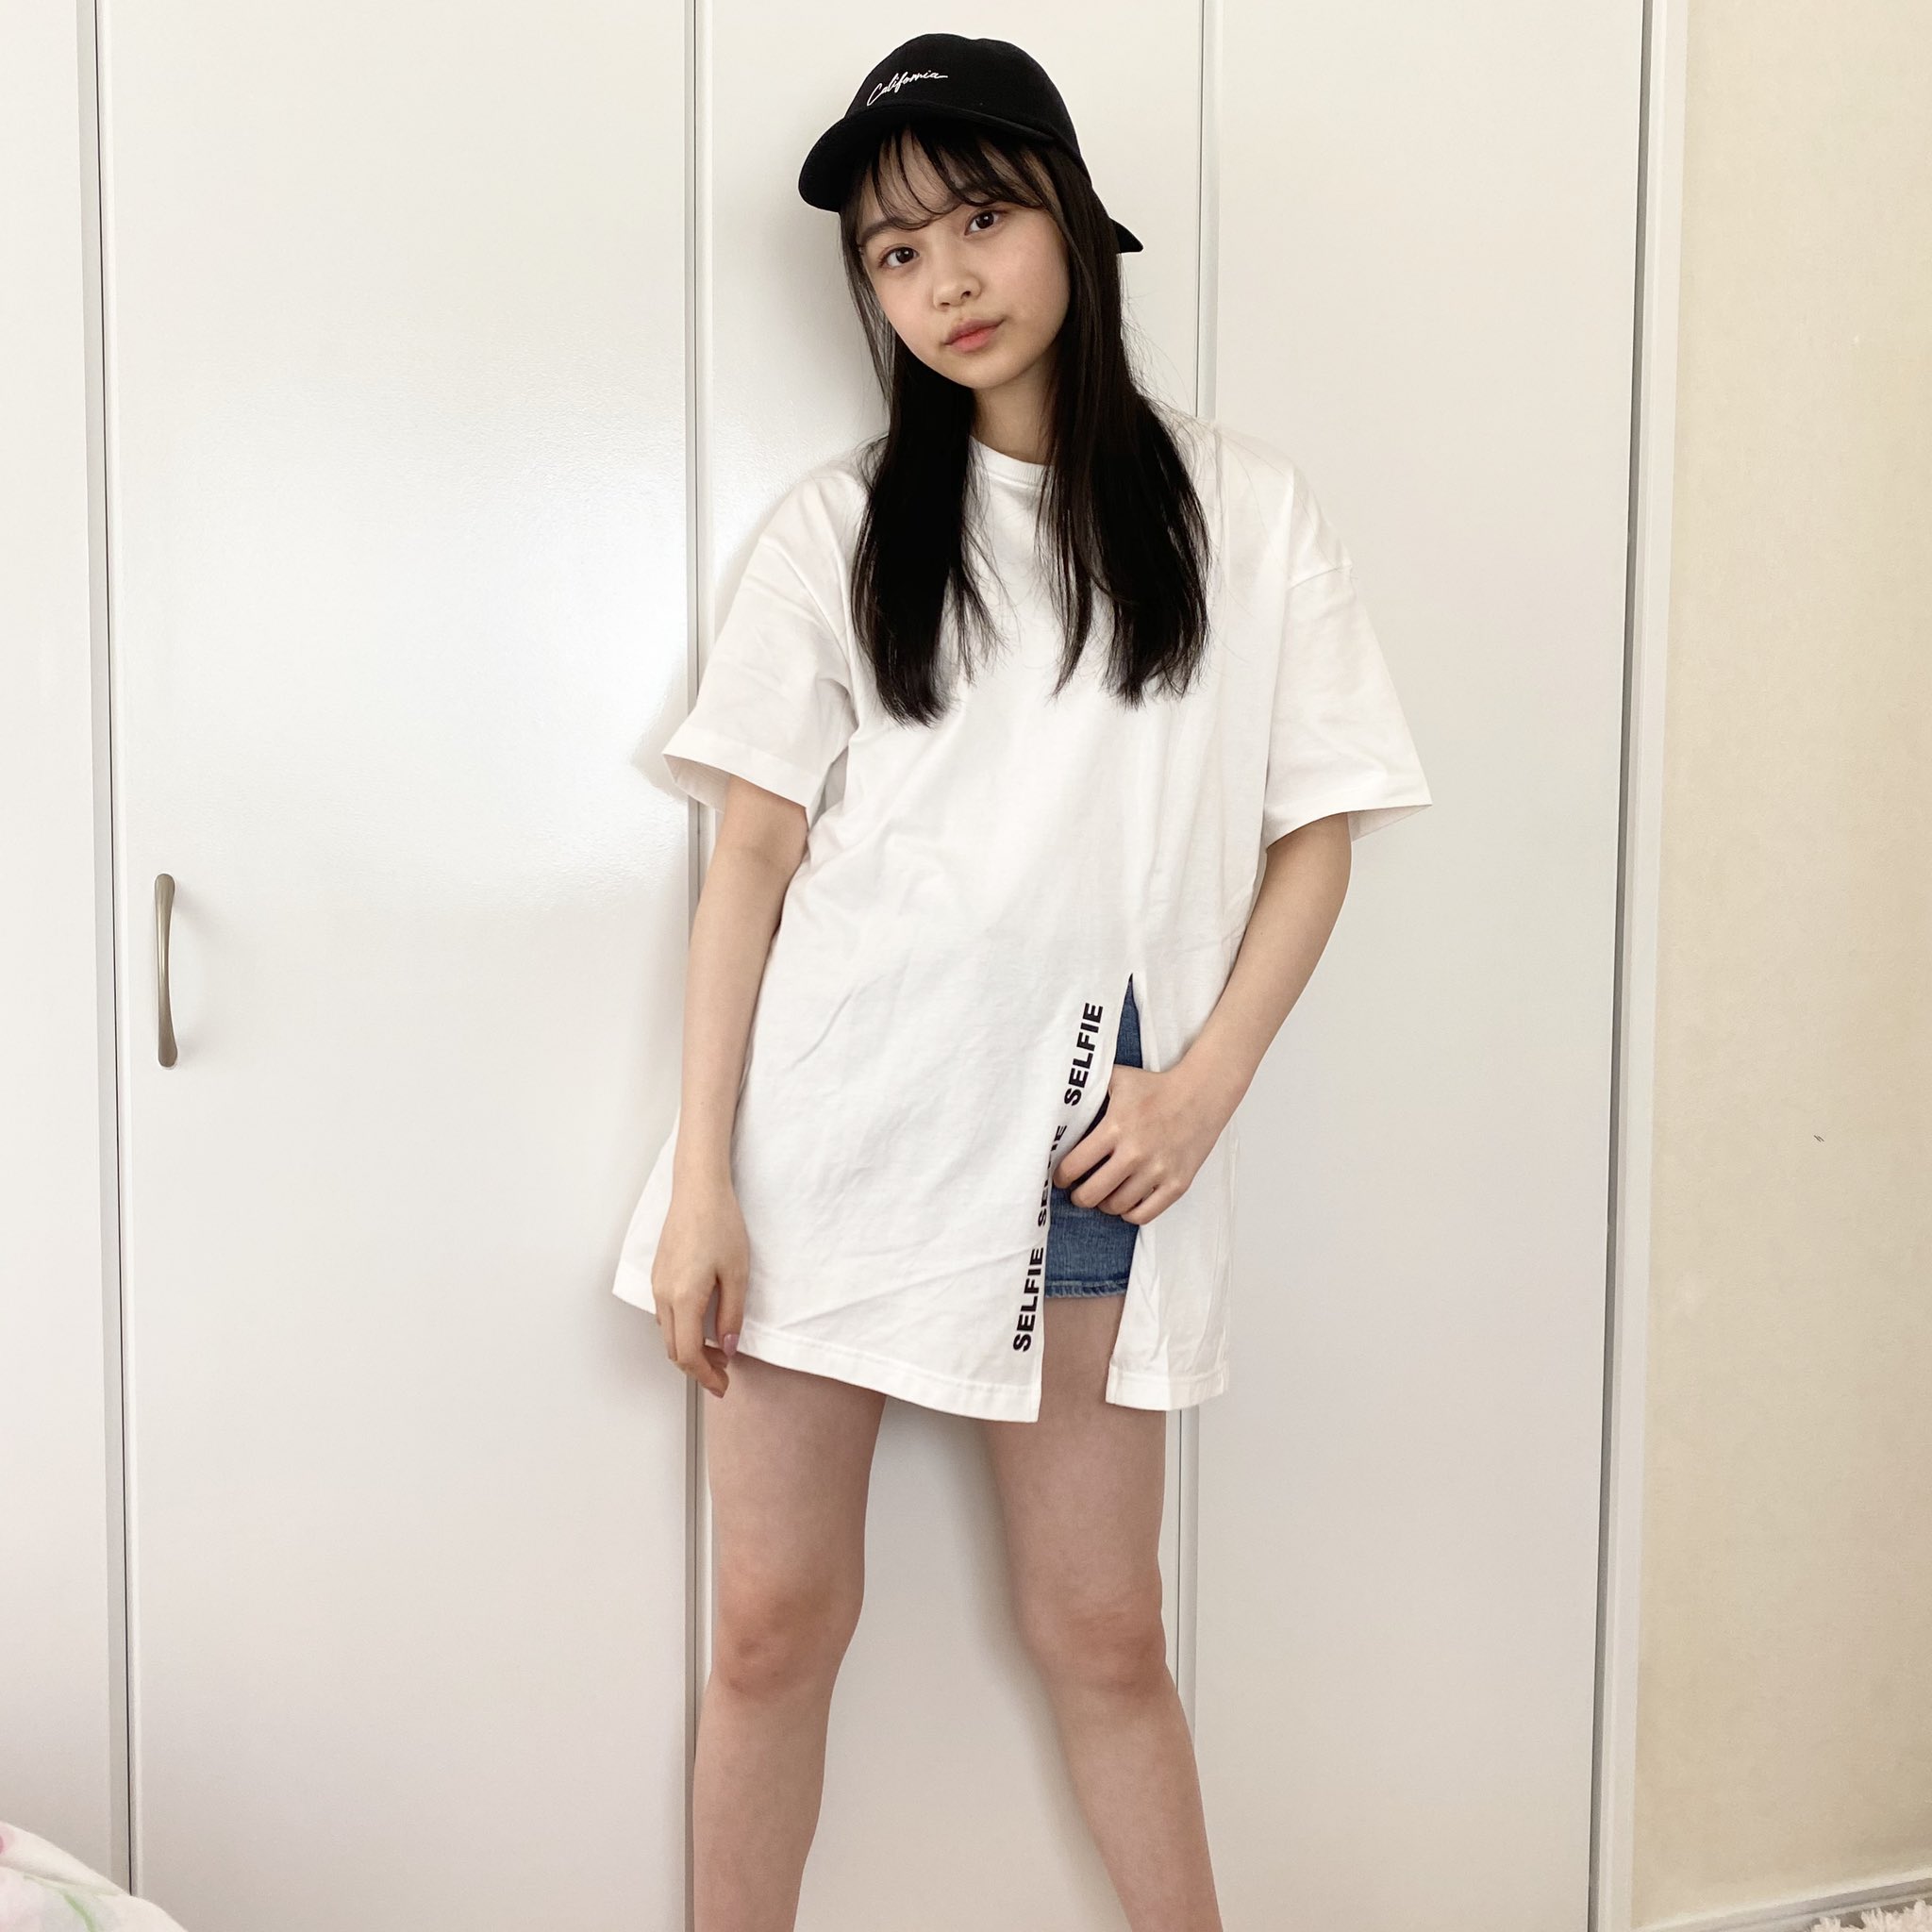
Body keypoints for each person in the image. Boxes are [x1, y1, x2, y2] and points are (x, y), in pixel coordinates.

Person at [612, 32, 1432, 1929]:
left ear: (1070, 216)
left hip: (1089, 1147)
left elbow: (1319, 830)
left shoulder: (1245, 514)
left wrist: (1202, 1088)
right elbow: (751, 860)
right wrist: (704, 1179)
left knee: (1105, 1633)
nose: (945, 282)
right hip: (830, 1140)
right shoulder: (836, 531)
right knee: (769, 1630)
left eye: (979, 221)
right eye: (895, 254)